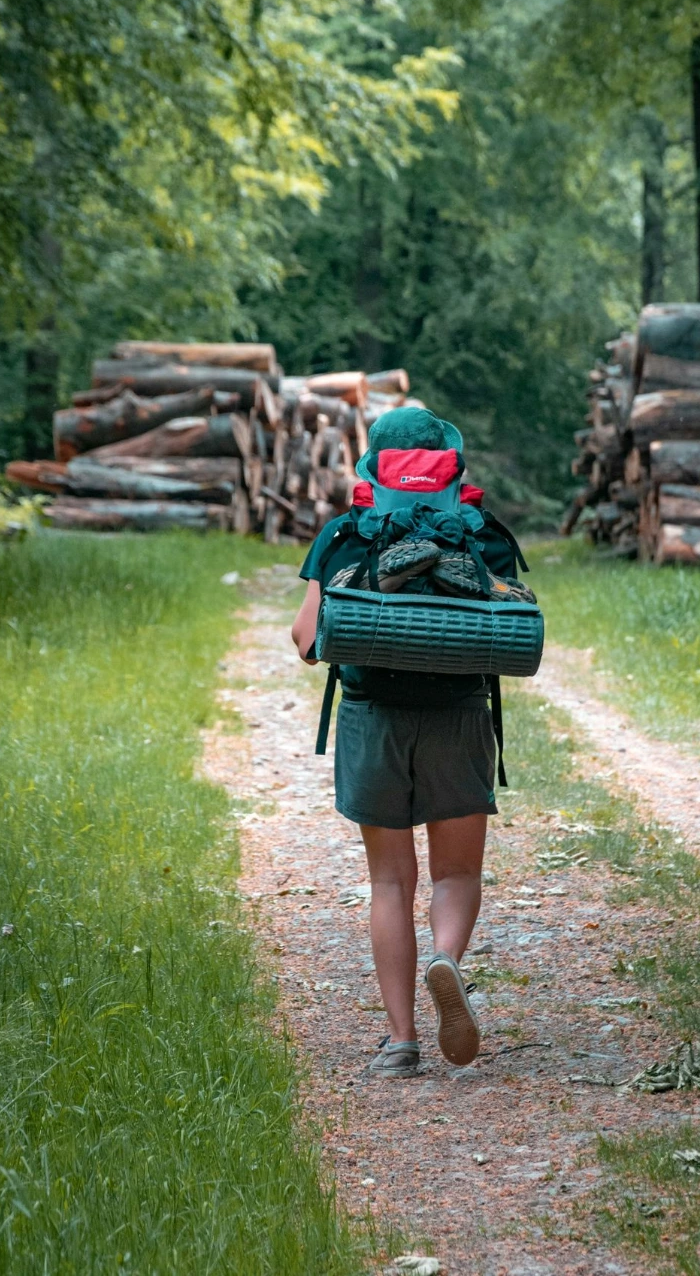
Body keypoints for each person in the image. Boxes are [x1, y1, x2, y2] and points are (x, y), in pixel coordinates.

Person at [291, 406, 520, 1076]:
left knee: (390, 880)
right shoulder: (482, 534)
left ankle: (400, 1042)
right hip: (458, 714)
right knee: (456, 873)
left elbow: (308, 641)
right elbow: (511, 627)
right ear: (454, 468)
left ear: (372, 466)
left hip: (372, 716)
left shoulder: (345, 534)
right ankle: (446, 956)